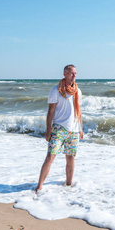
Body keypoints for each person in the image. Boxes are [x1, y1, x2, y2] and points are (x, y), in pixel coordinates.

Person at [36, 64, 83, 192]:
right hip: (59, 128)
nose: (74, 76)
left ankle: (68, 185)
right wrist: (48, 130)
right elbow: (50, 112)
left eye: (76, 73)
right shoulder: (56, 90)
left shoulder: (77, 91)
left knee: (70, 157)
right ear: (65, 74)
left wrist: (81, 129)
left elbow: (79, 111)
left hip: (73, 130)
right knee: (50, 156)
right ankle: (39, 186)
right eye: (72, 73)